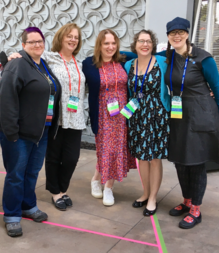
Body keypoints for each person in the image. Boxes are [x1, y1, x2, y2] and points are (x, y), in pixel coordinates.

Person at [8, 23, 86, 211]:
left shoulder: (81, 63)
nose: (72, 39)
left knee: (71, 159)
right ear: (60, 38)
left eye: (76, 37)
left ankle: (62, 188)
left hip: (75, 119)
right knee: (52, 158)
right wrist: (13, 56)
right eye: (69, 36)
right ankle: (55, 192)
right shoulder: (48, 58)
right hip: (54, 119)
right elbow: (28, 56)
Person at [0, 27, 61, 237]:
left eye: (40, 41)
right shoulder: (17, 64)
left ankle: (28, 205)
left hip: (40, 131)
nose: (37, 45)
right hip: (18, 133)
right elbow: (6, 101)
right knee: (16, 174)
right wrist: (11, 132)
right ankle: (12, 215)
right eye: (32, 42)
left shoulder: (42, 64)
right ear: (23, 45)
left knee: (32, 172)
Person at [162, 17, 219, 229]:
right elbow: (142, 54)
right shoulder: (167, 56)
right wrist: (117, 56)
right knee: (180, 160)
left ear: (188, 34)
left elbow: (217, 86)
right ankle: (186, 200)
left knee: (196, 163)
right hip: (178, 114)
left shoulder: (203, 58)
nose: (177, 36)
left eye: (181, 32)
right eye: (172, 33)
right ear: (168, 36)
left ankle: (196, 208)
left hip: (201, 113)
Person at [82, 29, 136, 206]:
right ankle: (96, 180)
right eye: (106, 43)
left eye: (114, 43)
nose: (110, 47)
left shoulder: (123, 60)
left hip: (122, 114)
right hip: (102, 114)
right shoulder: (88, 64)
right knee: (105, 151)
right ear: (99, 44)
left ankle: (108, 188)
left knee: (115, 150)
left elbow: (140, 53)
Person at [124, 30, 170, 216]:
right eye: (141, 41)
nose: (145, 44)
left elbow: (184, 70)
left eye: (148, 41)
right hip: (136, 115)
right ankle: (145, 193)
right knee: (141, 158)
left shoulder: (162, 62)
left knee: (154, 158)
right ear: (135, 44)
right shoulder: (128, 65)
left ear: (153, 44)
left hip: (157, 115)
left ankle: (153, 197)